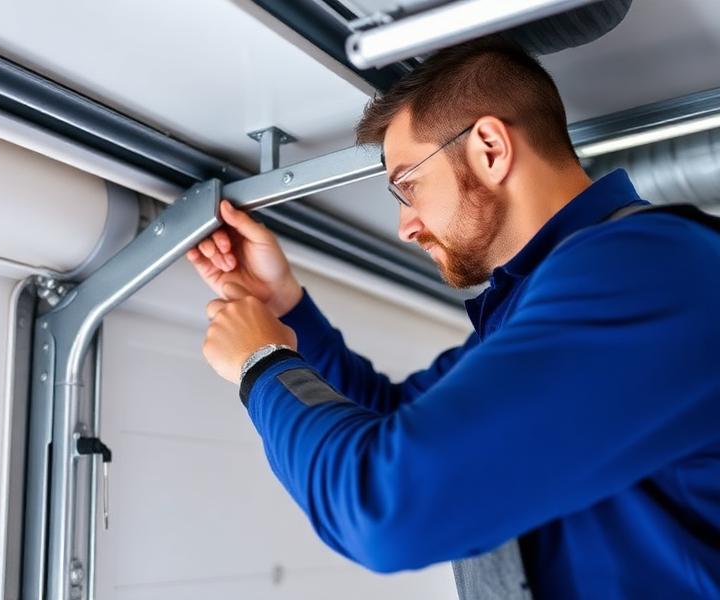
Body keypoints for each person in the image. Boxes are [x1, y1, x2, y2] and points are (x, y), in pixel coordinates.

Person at [188, 37, 720, 599]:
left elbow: (387, 511)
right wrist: (284, 307)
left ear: (490, 148)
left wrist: (262, 362)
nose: (405, 225)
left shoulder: (639, 272)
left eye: (408, 186)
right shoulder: (556, 298)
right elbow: (396, 416)